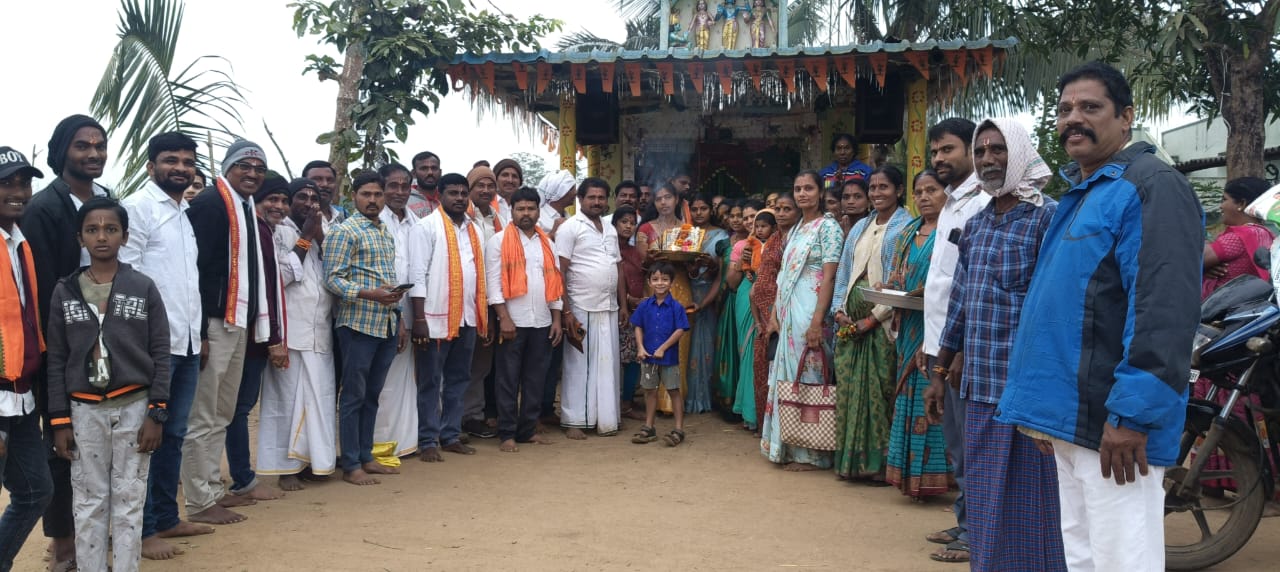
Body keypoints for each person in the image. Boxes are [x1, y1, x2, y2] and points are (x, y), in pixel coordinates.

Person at [995, 62, 1202, 572]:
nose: (1074, 119)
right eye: (1065, 109)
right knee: (1084, 557)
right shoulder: (1085, 192)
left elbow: (1163, 311)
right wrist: (1045, 414)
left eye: (1090, 107)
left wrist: (1132, 417)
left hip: (1115, 423)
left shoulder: (1152, 187)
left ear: (1126, 116)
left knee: (1123, 559)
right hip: (1073, 418)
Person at [926, 118, 1063, 569]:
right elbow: (960, 305)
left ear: (1019, 153)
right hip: (979, 388)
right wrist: (940, 372)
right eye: (981, 151)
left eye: (998, 149)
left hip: (1029, 393)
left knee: (1035, 502)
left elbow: (1057, 307)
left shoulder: (1047, 218)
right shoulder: (978, 223)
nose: (988, 159)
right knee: (985, 498)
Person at [47, 198, 170, 572]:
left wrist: (157, 411)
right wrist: (59, 420)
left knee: (129, 499)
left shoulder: (142, 286)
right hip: (83, 411)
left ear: (125, 236)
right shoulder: (65, 290)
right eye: (92, 230)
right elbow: (56, 359)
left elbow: (160, 351)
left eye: (111, 229)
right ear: (80, 238)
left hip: (134, 406)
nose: (102, 236)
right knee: (89, 500)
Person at [22, 114, 112, 569]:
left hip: (107, 344)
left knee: (102, 441)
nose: (93, 153)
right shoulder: (43, 208)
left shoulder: (106, 202)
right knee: (63, 442)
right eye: (82, 146)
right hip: (60, 347)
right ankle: (63, 546)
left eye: (99, 145)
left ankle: (94, 534)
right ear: (62, 152)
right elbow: (39, 289)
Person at [119, 132, 212, 559]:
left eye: (187, 162)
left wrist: (199, 335)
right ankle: (140, 530)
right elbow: (126, 277)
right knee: (145, 438)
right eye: (170, 160)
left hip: (186, 343)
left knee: (173, 434)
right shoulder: (138, 209)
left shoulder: (183, 213)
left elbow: (186, 282)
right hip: (152, 345)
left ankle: (167, 517)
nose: (180, 168)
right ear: (150, 165)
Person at [182, 140, 276, 525]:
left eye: (259, 168)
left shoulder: (245, 206)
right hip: (214, 322)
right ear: (228, 168)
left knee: (222, 412)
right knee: (202, 414)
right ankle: (198, 500)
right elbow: (196, 269)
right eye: (244, 166)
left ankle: (212, 489)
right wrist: (201, 330)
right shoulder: (210, 204)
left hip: (237, 320)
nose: (252, 173)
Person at [919, 116, 984, 562]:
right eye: (935, 151)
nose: (939, 158)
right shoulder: (952, 202)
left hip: (962, 348)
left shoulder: (982, 202)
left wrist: (957, 350)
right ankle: (966, 521)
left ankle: (977, 533)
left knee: (972, 445)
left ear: (971, 150)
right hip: (939, 342)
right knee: (957, 445)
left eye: (948, 150)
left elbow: (973, 286)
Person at [831, 166, 912, 482]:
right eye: (873, 188)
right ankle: (851, 464)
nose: (877, 193)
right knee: (850, 391)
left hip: (882, 325)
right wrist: (839, 310)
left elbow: (900, 280)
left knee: (880, 391)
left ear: (899, 190)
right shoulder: (860, 227)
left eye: (884, 187)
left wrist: (873, 318)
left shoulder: (906, 227)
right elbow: (844, 271)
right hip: (851, 323)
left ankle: (879, 466)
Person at [324, 171, 405, 486]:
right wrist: (371, 294)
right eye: (366, 194)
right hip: (357, 324)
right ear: (353, 196)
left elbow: (385, 277)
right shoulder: (344, 231)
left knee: (372, 394)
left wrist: (396, 312)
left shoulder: (384, 230)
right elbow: (332, 279)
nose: (373, 200)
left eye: (377, 194)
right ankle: (351, 464)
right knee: (353, 396)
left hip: (386, 322)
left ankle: (366, 456)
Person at [258, 177, 338, 490]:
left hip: (320, 332)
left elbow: (336, 272)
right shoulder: (278, 230)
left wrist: (319, 237)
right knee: (287, 402)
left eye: (314, 198)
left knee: (320, 399)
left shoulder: (321, 230)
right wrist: (305, 239)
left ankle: (313, 463)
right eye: (301, 197)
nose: (309, 203)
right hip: (290, 332)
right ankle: (286, 468)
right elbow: (280, 277)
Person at [759, 170, 840, 471]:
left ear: (821, 192)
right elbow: (783, 276)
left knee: (810, 376)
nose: (802, 194)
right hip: (788, 313)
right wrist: (774, 315)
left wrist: (817, 321)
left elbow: (829, 277)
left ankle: (812, 454)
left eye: (809, 188)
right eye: (798, 189)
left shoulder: (828, 228)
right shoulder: (795, 229)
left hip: (810, 312)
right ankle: (788, 446)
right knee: (788, 378)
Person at [0, 147, 54, 572]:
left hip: (22, 394)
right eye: (6, 183)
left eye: (24, 182)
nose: (18, 191)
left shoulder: (20, 243)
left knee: (36, 491)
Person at [409, 172, 488, 461]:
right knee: (430, 381)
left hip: (467, 317)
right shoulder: (426, 227)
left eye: (463, 193)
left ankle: (451, 435)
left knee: (459, 378)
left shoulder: (474, 229)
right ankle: (428, 440)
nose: (459, 198)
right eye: (453, 193)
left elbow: (478, 274)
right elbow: (417, 275)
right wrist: (420, 320)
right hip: (435, 319)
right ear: (440, 195)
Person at [884, 170, 951, 500]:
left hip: (939, 324)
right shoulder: (907, 233)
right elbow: (897, 278)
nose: (924, 197)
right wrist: (888, 288)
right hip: (909, 323)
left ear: (946, 193)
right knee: (907, 394)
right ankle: (909, 476)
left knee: (933, 392)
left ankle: (938, 477)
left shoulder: (951, 231)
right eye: (919, 191)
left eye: (932, 190)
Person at [224, 176, 289, 505]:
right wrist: (274, 337)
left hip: (254, 334)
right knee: (237, 409)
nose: (279, 206)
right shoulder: (257, 231)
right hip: (252, 336)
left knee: (236, 408)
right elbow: (264, 290)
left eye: (283, 200)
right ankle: (243, 479)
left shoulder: (264, 230)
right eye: (271, 199)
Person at [485, 187, 563, 452]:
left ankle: (527, 430)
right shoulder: (498, 241)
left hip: (542, 321)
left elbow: (555, 284)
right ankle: (507, 433)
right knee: (507, 379)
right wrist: (503, 317)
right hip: (513, 322)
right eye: (521, 209)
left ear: (538, 211)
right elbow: (493, 283)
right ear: (512, 211)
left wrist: (556, 319)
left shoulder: (547, 243)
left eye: (531, 208)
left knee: (535, 379)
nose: (526, 213)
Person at [556, 177, 624, 439]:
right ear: (580, 199)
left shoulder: (610, 228)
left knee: (607, 365)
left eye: (601, 197)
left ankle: (605, 418)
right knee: (578, 366)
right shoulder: (570, 228)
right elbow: (559, 271)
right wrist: (566, 311)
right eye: (591, 197)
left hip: (608, 307)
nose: (597, 202)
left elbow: (617, 266)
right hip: (580, 306)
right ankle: (574, 421)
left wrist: (622, 304)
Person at [637, 185, 700, 415]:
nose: (663, 202)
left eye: (668, 197)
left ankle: (675, 401)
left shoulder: (688, 229)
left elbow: (693, 268)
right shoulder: (645, 229)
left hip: (680, 287)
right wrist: (650, 259)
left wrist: (694, 264)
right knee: (654, 338)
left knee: (679, 342)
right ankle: (655, 402)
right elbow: (642, 263)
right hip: (654, 287)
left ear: (677, 200)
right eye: (658, 199)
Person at [373, 164, 420, 459]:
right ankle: (379, 447)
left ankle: (403, 443)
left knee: (406, 382)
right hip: (383, 314)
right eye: (393, 186)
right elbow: (380, 273)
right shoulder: (375, 222)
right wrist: (397, 316)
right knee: (384, 384)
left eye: (405, 186)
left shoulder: (416, 223)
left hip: (414, 313)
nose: (400, 192)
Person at [462, 166, 506, 440]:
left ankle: (472, 416)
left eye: (490, 186)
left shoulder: (498, 218)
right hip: (465, 299)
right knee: (459, 363)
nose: (486, 190)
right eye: (480, 185)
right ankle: (453, 418)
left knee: (481, 364)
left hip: (492, 299)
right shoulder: (463, 218)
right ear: (470, 189)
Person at [629, 262, 692, 447]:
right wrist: (640, 347)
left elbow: (680, 329)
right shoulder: (644, 306)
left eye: (664, 279)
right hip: (647, 357)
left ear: (671, 282)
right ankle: (649, 427)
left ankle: (678, 429)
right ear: (649, 282)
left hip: (669, 358)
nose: (660, 283)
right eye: (655, 279)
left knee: (673, 391)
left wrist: (664, 348)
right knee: (650, 391)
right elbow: (638, 326)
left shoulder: (676, 307)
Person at [749, 194, 797, 434]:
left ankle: (784, 430)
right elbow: (760, 279)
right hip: (762, 315)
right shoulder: (773, 239)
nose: (781, 213)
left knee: (782, 372)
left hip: (784, 314)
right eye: (778, 209)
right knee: (762, 369)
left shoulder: (797, 238)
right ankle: (765, 428)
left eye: (787, 209)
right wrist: (758, 319)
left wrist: (774, 316)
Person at [727, 209, 776, 430]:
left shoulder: (780, 243)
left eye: (762, 224)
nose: (756, 227)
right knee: (749, 352)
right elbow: (731, 282)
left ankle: (766, 416)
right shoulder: (744, 245)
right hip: (747, 295)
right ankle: (750, 413)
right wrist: (743, 263)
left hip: (772, 295)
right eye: (755, 224)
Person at [685, 195, 727, 414]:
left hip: (711, 295)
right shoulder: (685, 233)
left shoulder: (721, 236)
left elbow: (722, 272)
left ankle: (706, 398)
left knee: (709, 345)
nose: (699, 213)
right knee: (687, 345)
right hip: (688, 292)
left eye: (703, 208)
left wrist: (710, 265)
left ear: (711, 210)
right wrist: (692, 269)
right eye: (695, 209)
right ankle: (688, 397)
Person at [1201, 177, 1273, 298]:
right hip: (1252, 303)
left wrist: (1203, 269)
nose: (1221, 206)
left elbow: (1190, 260)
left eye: (1224, 199)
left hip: (1224, 307)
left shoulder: (1240, 237)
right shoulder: (1265, 234)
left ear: (1241, 203)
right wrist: (1207, 269)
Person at [613, 206, 646, 420]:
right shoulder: (608, 248)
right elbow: (610, 279)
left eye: (632, 223)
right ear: (614, 223)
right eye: (624, 221)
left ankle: (627, 402)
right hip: (615, 310)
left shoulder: (634, 252)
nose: (628, 226)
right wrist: (626, 300)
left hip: (635, 312)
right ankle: (615, 402)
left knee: (634, 357)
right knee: (616, 358)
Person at [301, 160, 346, 232]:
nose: (325, 184)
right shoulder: (296, 215)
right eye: (317, 179)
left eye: (330, 180)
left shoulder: (343, 215)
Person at [536, 170, 576, 237]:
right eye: (571, 189)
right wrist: (552, 234)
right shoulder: (538, 218)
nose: (575, 192)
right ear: (559, 192)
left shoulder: (569, 217)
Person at [409, 151, 442, 218]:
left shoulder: (448, 198)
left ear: (440, 172)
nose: (430, 172)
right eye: (424, 168)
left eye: (434, 168)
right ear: (414, 173)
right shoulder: (405, 199)